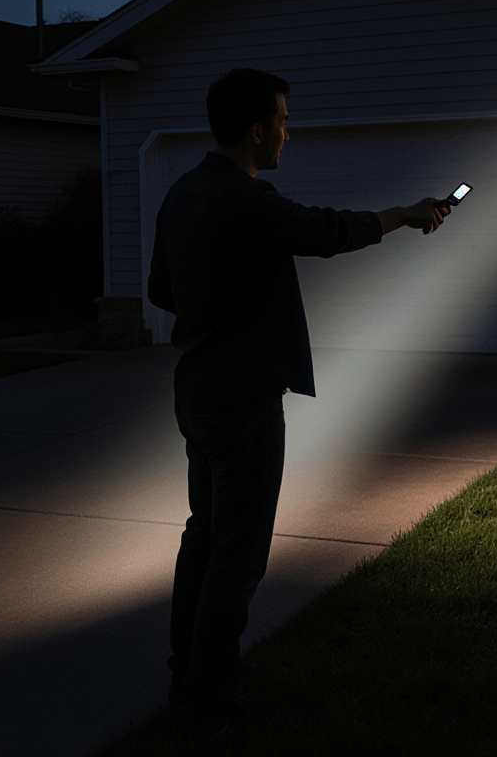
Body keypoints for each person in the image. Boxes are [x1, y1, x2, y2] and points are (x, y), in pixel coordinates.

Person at [147, 67, 452, 720]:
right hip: (244, 398)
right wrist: (405, 214)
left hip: (196, 394)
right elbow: (328, 230)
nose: (288, 132)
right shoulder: (246, 200)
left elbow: (161, 292)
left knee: (204, 536)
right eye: (283, 121)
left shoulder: (182, 194)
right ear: (257, 130)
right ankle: (211, 690)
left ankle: (186, 677)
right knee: (238, 554)